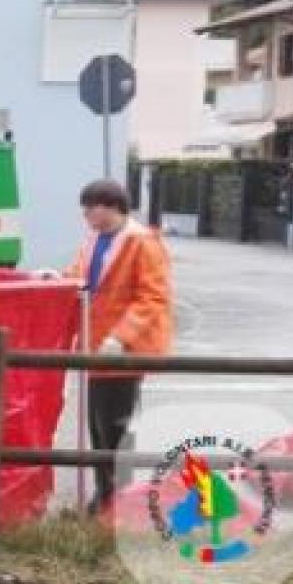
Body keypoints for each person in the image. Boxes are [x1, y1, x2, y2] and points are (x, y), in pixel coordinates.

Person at [65, 179, 172, 515]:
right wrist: (57, 279)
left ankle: (116, 497)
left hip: (124, 349)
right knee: (99, 422)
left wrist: (121, 336)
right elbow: (81, 277)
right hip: (99, 346)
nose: (85, 214)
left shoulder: (142, 243)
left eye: (90, 207)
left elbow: (152, 296)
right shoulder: (96, 238)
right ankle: (106, 493)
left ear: (111, 206)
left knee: (115, 423)